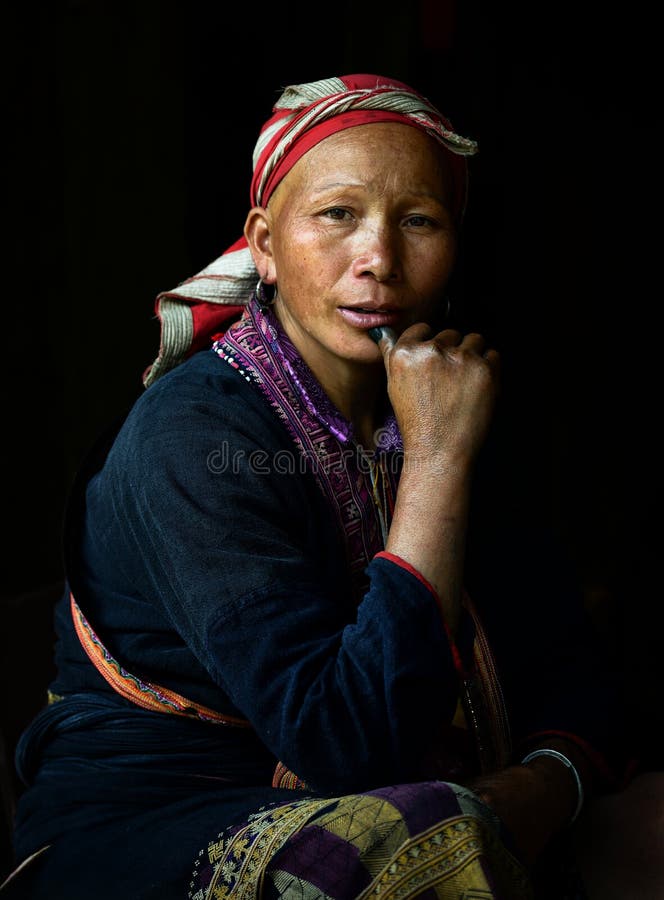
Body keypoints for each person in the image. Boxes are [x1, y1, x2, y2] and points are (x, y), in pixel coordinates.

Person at [3, 73, 661, 900]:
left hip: (434, 798)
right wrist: (435, 465)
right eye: (337, 215)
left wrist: (548, 782)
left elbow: (574, 665)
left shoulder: (445, 404)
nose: (378, 260)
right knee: (404, 848)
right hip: (151, 826)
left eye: (418, 221)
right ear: (266, 244)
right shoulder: (195, 437)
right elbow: (348, 746)